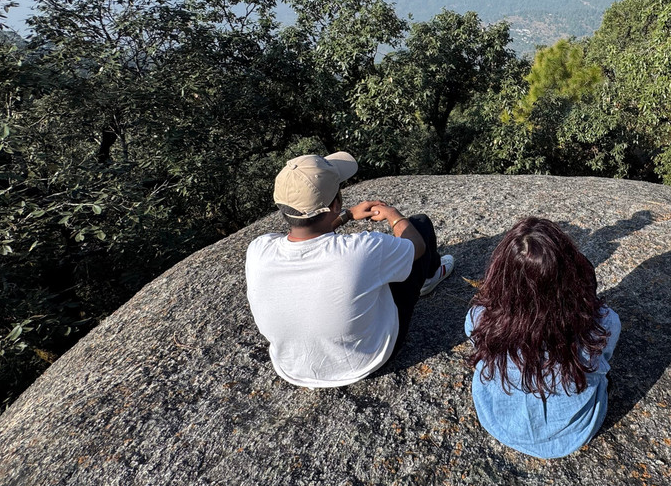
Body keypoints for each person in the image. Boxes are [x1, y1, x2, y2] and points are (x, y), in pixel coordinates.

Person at [245, 151, 454, 387]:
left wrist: (344, 216)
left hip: (292, 367)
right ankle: (430, 277)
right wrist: (393, 215)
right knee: (420, 225)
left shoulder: (258, 250)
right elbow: (416, 246)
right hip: (369, 359)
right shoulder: (362, 250)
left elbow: (308, 236)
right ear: (335, 203)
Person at [465, 217, 620, 459]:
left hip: (500, 420)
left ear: (500, 274)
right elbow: (604, 358)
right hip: (573, 431)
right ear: (572, 274)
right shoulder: (604, 323)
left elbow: (477, 340)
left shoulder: (479, 317)